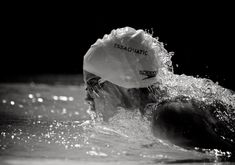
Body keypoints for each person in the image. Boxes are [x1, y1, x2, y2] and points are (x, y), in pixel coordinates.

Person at [83, 27, 235, 153]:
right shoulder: (169, 110)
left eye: (92, 84)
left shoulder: (169, 117)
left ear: (124, 83)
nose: (88, 97)